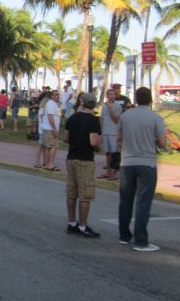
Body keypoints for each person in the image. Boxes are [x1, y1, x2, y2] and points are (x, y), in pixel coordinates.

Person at [117, 87, 168, 252]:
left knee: (125, 200)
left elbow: (119, 138)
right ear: (150, 100)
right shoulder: (155, 118)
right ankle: (140, 240)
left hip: (127, 162)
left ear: (136, 99)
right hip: (147, 162)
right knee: (143, 202)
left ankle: (124, 235)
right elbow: (162, 142)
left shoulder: (125, 116)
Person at [64, 92, 102, 238]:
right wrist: (98, 146)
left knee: (72, 193)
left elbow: (66, 137)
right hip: (85, 159)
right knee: (85, 195)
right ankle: (83, 226)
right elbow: (93, 141)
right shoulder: (94, 120)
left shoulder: (72, 118)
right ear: (94, 104)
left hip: (71, 157)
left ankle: (72, 222)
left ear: (82, 103)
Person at [100, 88, 123, 180]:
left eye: (113, 94)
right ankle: (108, 171)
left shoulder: (118, 106)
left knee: (115, 154)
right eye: (109, 94)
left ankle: (115, 172)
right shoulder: (104, 106)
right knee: (107, 153)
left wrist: (110, 109)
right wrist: (101, 132)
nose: (111, 96)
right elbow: (101, 119)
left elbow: (116, 120)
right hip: (105, 132)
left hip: (114, 133)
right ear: (107, 95)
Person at [42, 90, 61, 170]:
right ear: (51, 96)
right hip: (50, 129)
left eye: (58, 94)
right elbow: (50, 116)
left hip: (49, 128)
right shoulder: (51, 104)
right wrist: (55, 128)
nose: (57, 96)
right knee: (53, 146)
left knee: (48, 146)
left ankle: (47, 163)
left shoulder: (53, 104)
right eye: (55, 94)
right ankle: (50, 164)